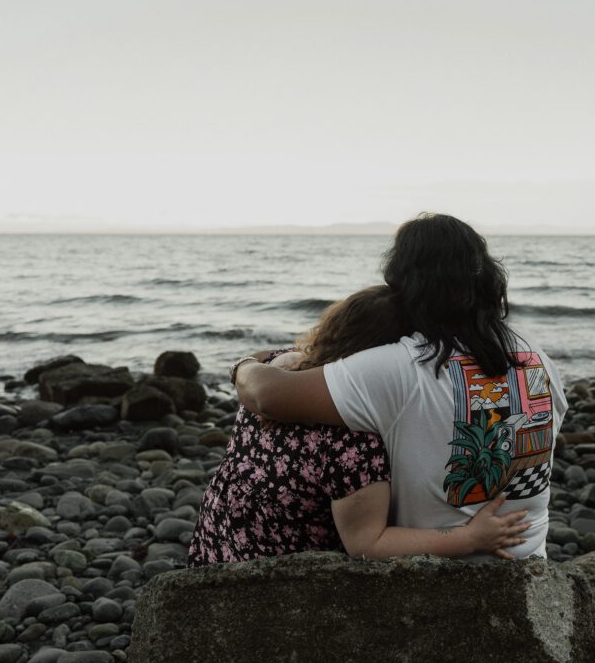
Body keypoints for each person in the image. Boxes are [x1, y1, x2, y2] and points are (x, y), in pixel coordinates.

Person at [234, 214, 568, 560]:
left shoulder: (402, 367)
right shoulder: (539, 359)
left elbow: (266, 396)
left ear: (403, 284)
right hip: (531, 566)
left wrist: (243, 364)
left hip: (438, 575)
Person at [188, 284, 530, 566]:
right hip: (276, 580)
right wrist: (468, 538)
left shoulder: (279, 373)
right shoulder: (352, 436)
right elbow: (367, 544)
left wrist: (246, 363)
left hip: (214, 548)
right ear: (387, 356)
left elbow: (264, 357)